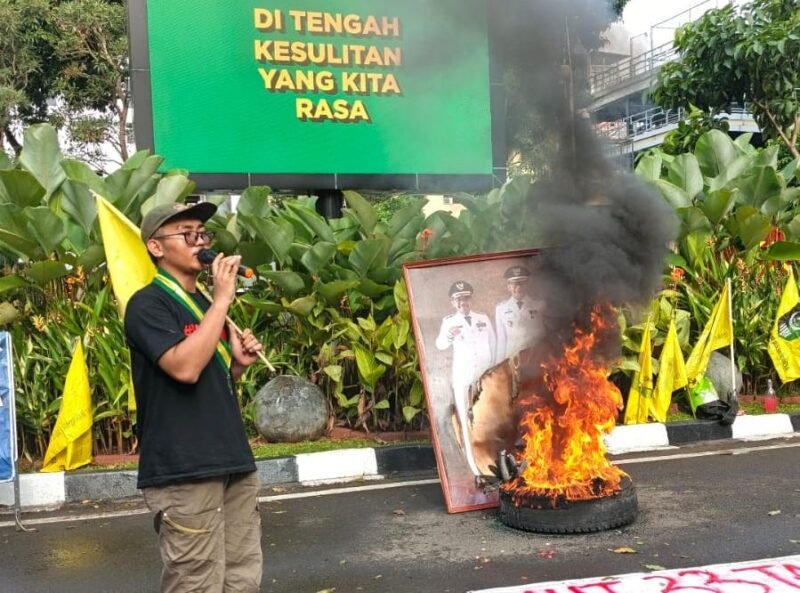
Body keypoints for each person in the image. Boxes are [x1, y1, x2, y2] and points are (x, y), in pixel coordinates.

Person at [124, 202, 264, 593]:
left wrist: (237, 365)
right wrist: (222, 300)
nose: (200, 241)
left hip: (232, 459)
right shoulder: (147, 304)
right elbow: (183, 369)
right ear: (156, 247)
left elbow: (207, 379)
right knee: (196, 583)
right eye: (187, 233)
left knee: (242, 579)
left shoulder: (204, 303)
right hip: (184, 467)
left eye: (203, 233)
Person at [435, 281, 495, 478]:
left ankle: (492, 463)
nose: (463, 302)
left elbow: (493, 345)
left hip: (484, 374)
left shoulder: (483, 318)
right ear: (453, 302)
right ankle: (473, 468)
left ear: (471, 299)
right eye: (458, 299)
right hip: (463, 375)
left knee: (488, 417)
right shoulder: (449, 321)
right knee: (464, 418)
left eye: (466, 298)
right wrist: (450, 336)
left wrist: (492, 371)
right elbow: (440, 344)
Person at [495, 265, 545, 362]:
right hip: (513, 359)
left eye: (522, 283)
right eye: (514, 284)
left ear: (527, 285)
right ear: (508, 287)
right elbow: (501, 339)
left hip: (535, 358)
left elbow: (544, 334)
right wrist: (499, 363)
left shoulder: (539, 305)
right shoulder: (501, 309)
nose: (518, 287)